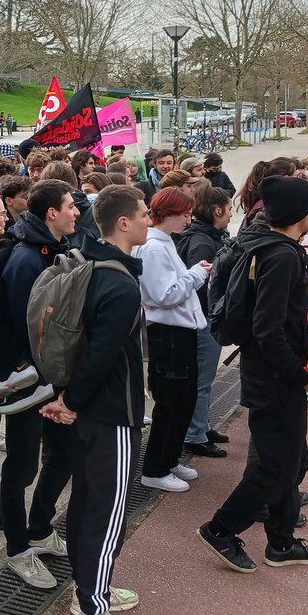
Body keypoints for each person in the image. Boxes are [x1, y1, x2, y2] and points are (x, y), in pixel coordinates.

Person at [198, 175, 308, 575]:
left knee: (287, 461)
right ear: (297, 213)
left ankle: (282, 540)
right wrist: (302, 376)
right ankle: (221, 529)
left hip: (268, 371)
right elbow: (268, 329)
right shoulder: (283, 255)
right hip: (275, 375)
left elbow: (263, 305)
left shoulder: (266, 244)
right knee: (275, 466)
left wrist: (301, 295)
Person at [47, 183, 153, 615]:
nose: (150, 219)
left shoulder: (95, 265)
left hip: (93, 410)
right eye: (145, 213)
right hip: (111, 413)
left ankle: (87, 590)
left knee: (88, 504)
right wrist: (71, 399)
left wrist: (72, 399)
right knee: (106, 515)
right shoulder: (121, 283)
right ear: (123, 223)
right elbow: (104, 355)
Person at [0, 181, 80, 591]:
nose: (77, 211)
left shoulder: (51, 250)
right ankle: (17, 548)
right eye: (70, 205)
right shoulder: (27, 259)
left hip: (53, 377)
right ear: (51, 214)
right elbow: (32, 327)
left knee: (64, 454)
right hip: (30, 381)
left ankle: (40, 527)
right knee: (21, 466)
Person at [133, 187, 207, 493]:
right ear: (169, 214)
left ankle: (168, 458)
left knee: (183, 399)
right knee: (172, 402)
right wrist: (196, 275)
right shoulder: (155, 247)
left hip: (177, 332)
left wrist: (191, 276)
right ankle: (155, 467)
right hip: (169, 333)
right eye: (185, 214)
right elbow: (164, 295)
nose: (188, 219)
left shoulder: (162, 243)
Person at [176, 186, 233, 458]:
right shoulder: (203, 241)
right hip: (203, 318)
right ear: (217, 210)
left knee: (206, 378)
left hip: (204, 316)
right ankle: (195, 434)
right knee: (203, 378)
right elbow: (198, 282)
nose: (232, 214)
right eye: (230, 209)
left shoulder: (206, 235)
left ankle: (203, 426)